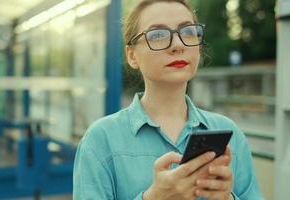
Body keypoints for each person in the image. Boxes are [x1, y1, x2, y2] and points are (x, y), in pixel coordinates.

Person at [73, 0, 264, 199]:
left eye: (188, 32)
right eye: (157, 35)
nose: (178, 45)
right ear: (132, 56)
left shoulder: (230, 134)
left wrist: (227, 198)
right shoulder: (100, 140)